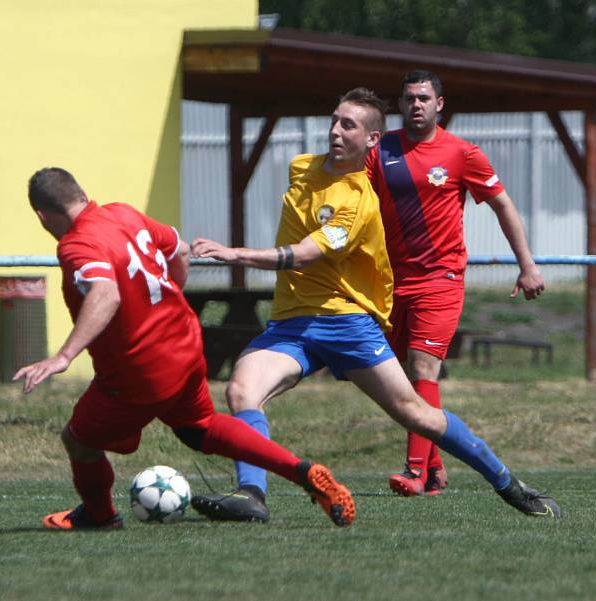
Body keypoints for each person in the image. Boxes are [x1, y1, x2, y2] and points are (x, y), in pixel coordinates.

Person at [189, 87, 560, 522]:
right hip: (291, 322)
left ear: (371, 141)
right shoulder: (301, 168)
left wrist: (236, 254)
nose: (335, 131)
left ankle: (508, 484)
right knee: (241, 391)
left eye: (349, 125)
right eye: (334, 120)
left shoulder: (359, 200)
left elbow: (307, 253)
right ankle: (251, 494)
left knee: (417, 414)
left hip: (346, 322)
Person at [13, 167, 356, 529]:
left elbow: (106, 292)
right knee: (200, 427)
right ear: (82, 194)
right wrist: (168, 296)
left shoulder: (76, 244)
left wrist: (63, 357)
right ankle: (303, 471)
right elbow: (178, 248)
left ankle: (99, 516)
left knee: (78, 440)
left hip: (139, 367)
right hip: (185, 343)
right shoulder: (122, 213)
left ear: (41, 215)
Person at [364, 70, 546, 497]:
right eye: (408, 98)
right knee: (402, 382)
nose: (416, 105)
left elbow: (502, 204)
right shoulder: (382, 149)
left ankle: (416, 472)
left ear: (439, 104)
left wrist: (527, 265)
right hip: (391, 281)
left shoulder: (461, 153)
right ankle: (436, 464)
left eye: (424, 98)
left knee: (424, 368)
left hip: (440, 279)